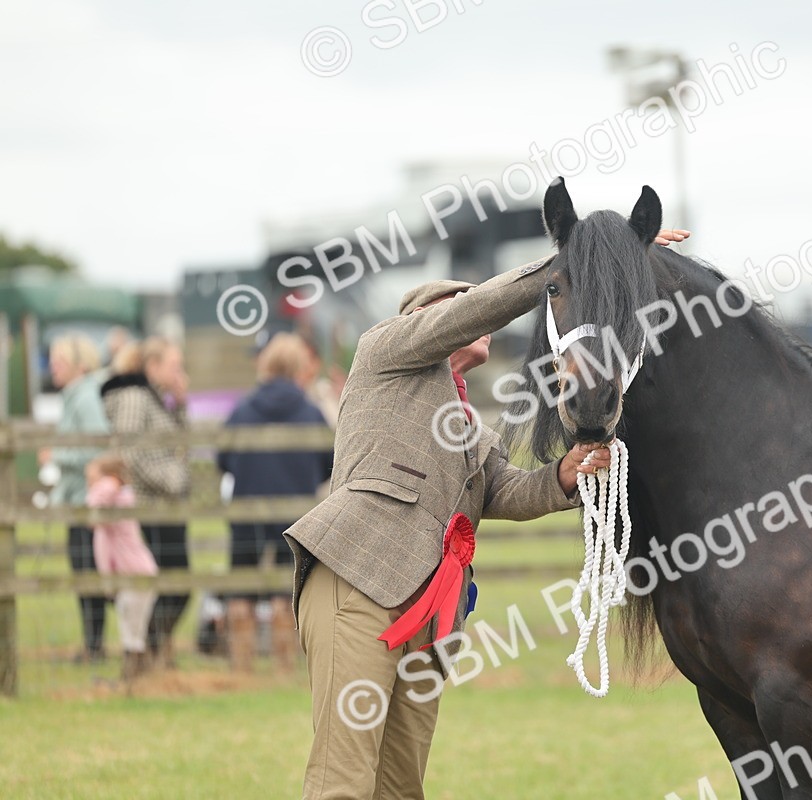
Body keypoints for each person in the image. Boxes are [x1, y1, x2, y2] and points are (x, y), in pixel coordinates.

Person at [285, 230, 688, 799]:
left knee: (401, 788)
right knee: (342, 783)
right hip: (357, 583)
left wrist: (564, 475)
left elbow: (506, 492)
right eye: (460, 304)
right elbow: (477, 308)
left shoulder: (471, 425)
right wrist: (576, 260)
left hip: (429, 615)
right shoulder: (386, 349)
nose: (480, 316)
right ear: (425, 319)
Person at [217, 333, 333, 674]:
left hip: (246, 510)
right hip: (293, 515)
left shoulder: (242, 409)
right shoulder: (310, 412)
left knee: (241, 587)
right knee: (287, 590)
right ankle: (284, 667)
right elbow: (329, 460)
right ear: (299, 367)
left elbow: (223, 458)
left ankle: (243, 667)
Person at [100, 337, 191, 668]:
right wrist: (171, 480)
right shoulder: (137, 398)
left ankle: (154, 653)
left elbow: (181, 445)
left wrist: (180, 405)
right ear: (152, 366)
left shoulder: (158, 400)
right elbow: (130, 450)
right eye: (174, 366)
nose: (181, 374)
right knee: (166, 585)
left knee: (176, 584)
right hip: (148, 506)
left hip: (165, 506)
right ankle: (148, 654)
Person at [43, 334, 110, 663]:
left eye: (60, 361)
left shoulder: (85, 398)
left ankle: (94, 647)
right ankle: (92, 645)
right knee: (84, 574)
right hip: (79, 500)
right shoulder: (75, 396)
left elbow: (97, 447)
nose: (53, 366)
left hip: (88, 502)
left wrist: (57, 455)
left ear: (79, 365)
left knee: (89, 574)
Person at [85, 453, 158, 681]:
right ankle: (139, 678)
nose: (91, 484)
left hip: (135, 571)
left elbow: (98, 504)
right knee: (131, 626)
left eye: (94, 478)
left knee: (132, 627)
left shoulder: (115, 496)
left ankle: (132, 679)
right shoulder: (117, 502)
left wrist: (106, 482)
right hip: (130, 572)